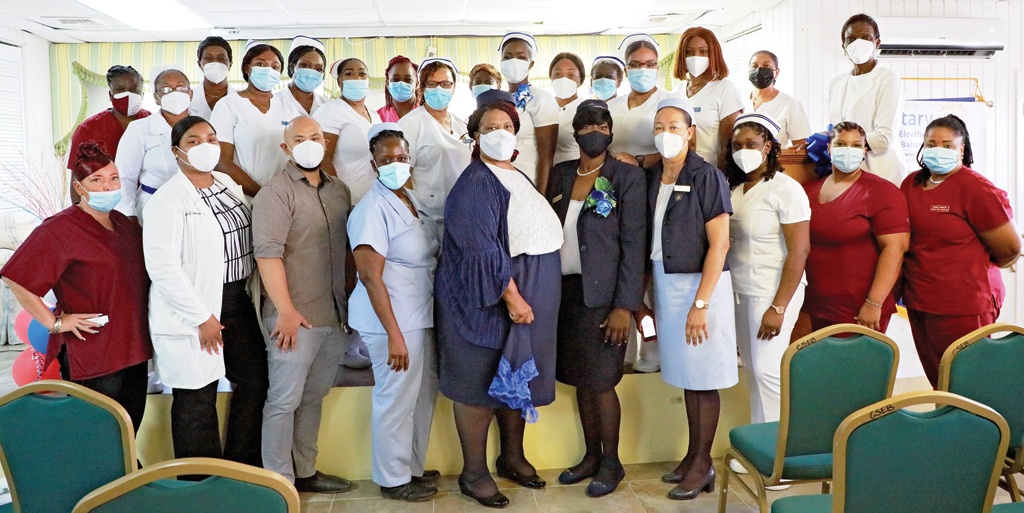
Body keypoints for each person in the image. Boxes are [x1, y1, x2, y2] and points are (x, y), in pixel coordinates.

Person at [436, 90, 563, 508]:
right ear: (474, 136)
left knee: (515, 376)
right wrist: (511, 295)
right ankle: (473, 472)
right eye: (490, 128)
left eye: (507, 127)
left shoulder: (516, 174)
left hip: (524, 293)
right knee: (478, 381)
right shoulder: (475, 182)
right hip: (484, 300)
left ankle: (512, 455)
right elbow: (481, 248)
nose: (500, 134)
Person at [1, 142, 151, 433]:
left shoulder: (123, 225)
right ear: (80, 188)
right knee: (98, 431)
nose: (108, 187)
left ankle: (130, 477)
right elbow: (16, 278)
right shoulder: (59, 229)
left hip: (133, 345)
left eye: (114, 178)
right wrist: (54, 323)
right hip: (94, 350)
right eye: (96, 180)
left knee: (129, 428)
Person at [143, 116, 267, 467]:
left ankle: (242, 466)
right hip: (195, 310)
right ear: (176, 151)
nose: (205, 146)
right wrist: (203, 317)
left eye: (211, 138)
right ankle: (201, 485)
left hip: (237, 299)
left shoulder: (227, 182)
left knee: (254, 382)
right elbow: (164, 268)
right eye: (194, 141)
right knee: (197, 396)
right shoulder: (167, 200)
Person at [546, 100, 646, 498]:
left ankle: (612, 462)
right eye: (585, 125)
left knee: (603, 382)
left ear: (609, 129)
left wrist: (625, 306)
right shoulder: (560, 174)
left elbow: (634, 243)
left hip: (606, 300)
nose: (593, 131)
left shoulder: (625, 177)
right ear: (575, 131)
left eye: (600, 124)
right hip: (566, 294)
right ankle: (590, 456)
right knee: (582, 381)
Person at [252, 115, 353, 493]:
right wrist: (286, 311)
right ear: (286, 147)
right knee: (283, 401)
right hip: (292, 318)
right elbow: (267, 255)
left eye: (315, 137)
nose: (309, 143)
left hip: (333, 316)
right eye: (299, 138)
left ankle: (306, 471)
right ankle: (279, 483)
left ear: (325, 142)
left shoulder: (338, 190)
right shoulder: (275, 194)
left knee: (312, 397)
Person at [643, 97, 737, 500]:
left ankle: (702, 465)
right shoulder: (653, 178)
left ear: (691, 132)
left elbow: (720, 245)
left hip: (702, 288)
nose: (667, 134)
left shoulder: (706, 176)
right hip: (667, 285)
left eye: (674, 126)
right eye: (660, 127)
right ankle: (692, 456)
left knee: (703, 378)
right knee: (685, 375)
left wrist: (700, 305)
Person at [348, 123, 441, 502]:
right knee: (396, 397)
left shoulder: (412, 200)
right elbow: (370, 278)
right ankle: (392, 478)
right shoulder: (371, 209)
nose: (395, 164)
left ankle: (411, 467)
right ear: (374, 165)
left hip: (419, 314)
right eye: (386, 159)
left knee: (421, 395)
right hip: (391, 321)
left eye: (401, 157)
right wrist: (394, 335)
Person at [900, 115, 1020, 387]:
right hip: (921, 300)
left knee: (968, 382)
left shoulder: (976, 189)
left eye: (947, 145)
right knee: (939, 381)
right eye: (931, 143)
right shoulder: (911, 185)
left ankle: (979, 430)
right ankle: (945, 428)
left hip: (964, 305)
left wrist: (969, 269)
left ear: (962, 150)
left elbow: (1010, 249)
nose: (937, 150)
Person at [724, 113, 810, 429]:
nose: (742, 150)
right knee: (752, 368)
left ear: (768, 147)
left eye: (751, 144)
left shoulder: (785, 189)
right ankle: (759, 444)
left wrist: (778, 307)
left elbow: (799, 251)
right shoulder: (734, 187)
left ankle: (778, 455)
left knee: (767, 370)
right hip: (740, 290)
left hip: (773, 292)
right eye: (736, 145)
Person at [802, 122, 909, 333]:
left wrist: (874, 303)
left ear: (864, 151)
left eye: (856, 145)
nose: (848, 150)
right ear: (829, 148)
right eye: (841, 143)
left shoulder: (881, 192)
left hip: (859, 308)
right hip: (816, 305)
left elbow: (895, 250)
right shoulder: (809, 190)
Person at [607, 33, 670, 373]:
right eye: (635, 65)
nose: (643, 70)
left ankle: (655, 349)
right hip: (616, 195)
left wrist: (641, 162)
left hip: (652, 190)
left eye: (649, 64)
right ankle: (629, 350)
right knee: (623, 269)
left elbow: (677, 147)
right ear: (625, 68)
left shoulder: (667, 102)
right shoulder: (614, 106)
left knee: (646, 273)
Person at [210, 40, 306, 197]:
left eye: (275, 67)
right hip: (244, 197)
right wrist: (263, 195)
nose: (268, 70)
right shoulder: (228, 105)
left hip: (285, 196)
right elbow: (221, 162)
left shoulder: (289, 107)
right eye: (261, 64)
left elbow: (299, 154)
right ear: (247, 67)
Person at [827, 13, 906, 185]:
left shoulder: (888, 79)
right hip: (845, 173)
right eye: (851, 39)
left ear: (877, 43)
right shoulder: (836, 83)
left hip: (882, 172)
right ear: (844, 46)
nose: (858, 44)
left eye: (865, 37)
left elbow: (884, 138)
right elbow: (836, 129)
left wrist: (843, 143)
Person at [398, 57, 471, 228]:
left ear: (454, 88)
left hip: (463, 212)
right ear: (422, 88)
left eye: (445, 84)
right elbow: (402, 173)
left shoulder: (462, 125)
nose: (439, 89)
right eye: (432, 84)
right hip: (428, 216)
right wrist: (414, 212)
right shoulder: (411, 123)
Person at [115, 65, 193, 219]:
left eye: (181, 87)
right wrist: (128, 216)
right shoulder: (139, 129)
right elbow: (125, 178)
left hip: (194, 205)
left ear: (191, 94)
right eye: (166, 89)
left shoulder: (204, 126)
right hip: (152, 205)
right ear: (156, 97)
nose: (175, 93)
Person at [68, 65, 151, 203]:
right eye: (120, 90)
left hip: (147, 203)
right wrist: (81, 216)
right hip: (104, 206)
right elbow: (77, 179)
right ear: (110, 95)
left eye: (134, 90)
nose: (128, 94)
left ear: (143, 94)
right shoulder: (88, 129)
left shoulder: (154, 124)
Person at [673, 27, 744, 171]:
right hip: (681, 172)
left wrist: (721, 180)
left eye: (703, 51)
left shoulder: (725, 89)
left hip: (711, 173)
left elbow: (729, 145)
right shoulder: (677, 92)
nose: (696, 57)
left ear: (713, 54)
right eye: (689, 52)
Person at [314, 57, 383, 203]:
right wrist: (339, 195)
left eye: (362, 74)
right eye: (349, 74)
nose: (357, 78)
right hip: (347, 200)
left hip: (375, 197)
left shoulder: (375, 115)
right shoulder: (331, 111)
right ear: (339, 82)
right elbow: (322, 158)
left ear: (368, 79)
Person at [499, 31, 559, 191]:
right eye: (507, 57)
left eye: (521, 57)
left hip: (529, 185)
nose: (513, 62)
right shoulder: (499, 100)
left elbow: (546, 156)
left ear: (531, 63)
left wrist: (541, 198)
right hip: (502, 184)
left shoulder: (541, 99)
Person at [746, 51, 811, 149]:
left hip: (776, 163)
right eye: (754, 66)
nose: (759, 70)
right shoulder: (739, 103)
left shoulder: (790, 104)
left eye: (766, 66)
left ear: (776, 73)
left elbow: (801, 148)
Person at [275, 36, 327, 115]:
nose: (311, 73)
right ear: (292, 67)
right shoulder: (274, 101)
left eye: (318, 69)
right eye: (305, 65)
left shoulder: (326, 105)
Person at [549, 52, 586, 165]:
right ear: (551, 77)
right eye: (558, 75)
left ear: (579, 79)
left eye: (570, 76)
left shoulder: (586, 110)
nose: (563, 80)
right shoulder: (543, 105)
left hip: (572, 175)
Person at [190, 36, 237, 120]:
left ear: (230, 63)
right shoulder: (187, 98)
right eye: (208, 58)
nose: (215, 63)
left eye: (221, 58)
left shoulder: (241, 99)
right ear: (199, 64)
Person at [378, 55, 420, 122]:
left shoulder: (427, 114)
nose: (401, 83)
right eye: (395, 79)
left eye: (408, 79)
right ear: (387, 83)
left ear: (417, 84)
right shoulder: (377, 117)